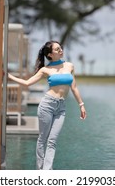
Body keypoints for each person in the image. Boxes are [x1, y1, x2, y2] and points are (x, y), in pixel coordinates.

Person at [8, 40, 87, 170]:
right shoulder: (45, 69)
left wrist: (81, 105)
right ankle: (40, 169)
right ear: (50, 55)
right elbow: (27, 83)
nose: (61, 50)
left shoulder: (70, 66)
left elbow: (74, 87)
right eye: (57, 49)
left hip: (61, 107)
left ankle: (47, 171)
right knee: (42, 139)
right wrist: (10, 76)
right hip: (47, 105)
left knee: (53, 140)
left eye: (60, 48)